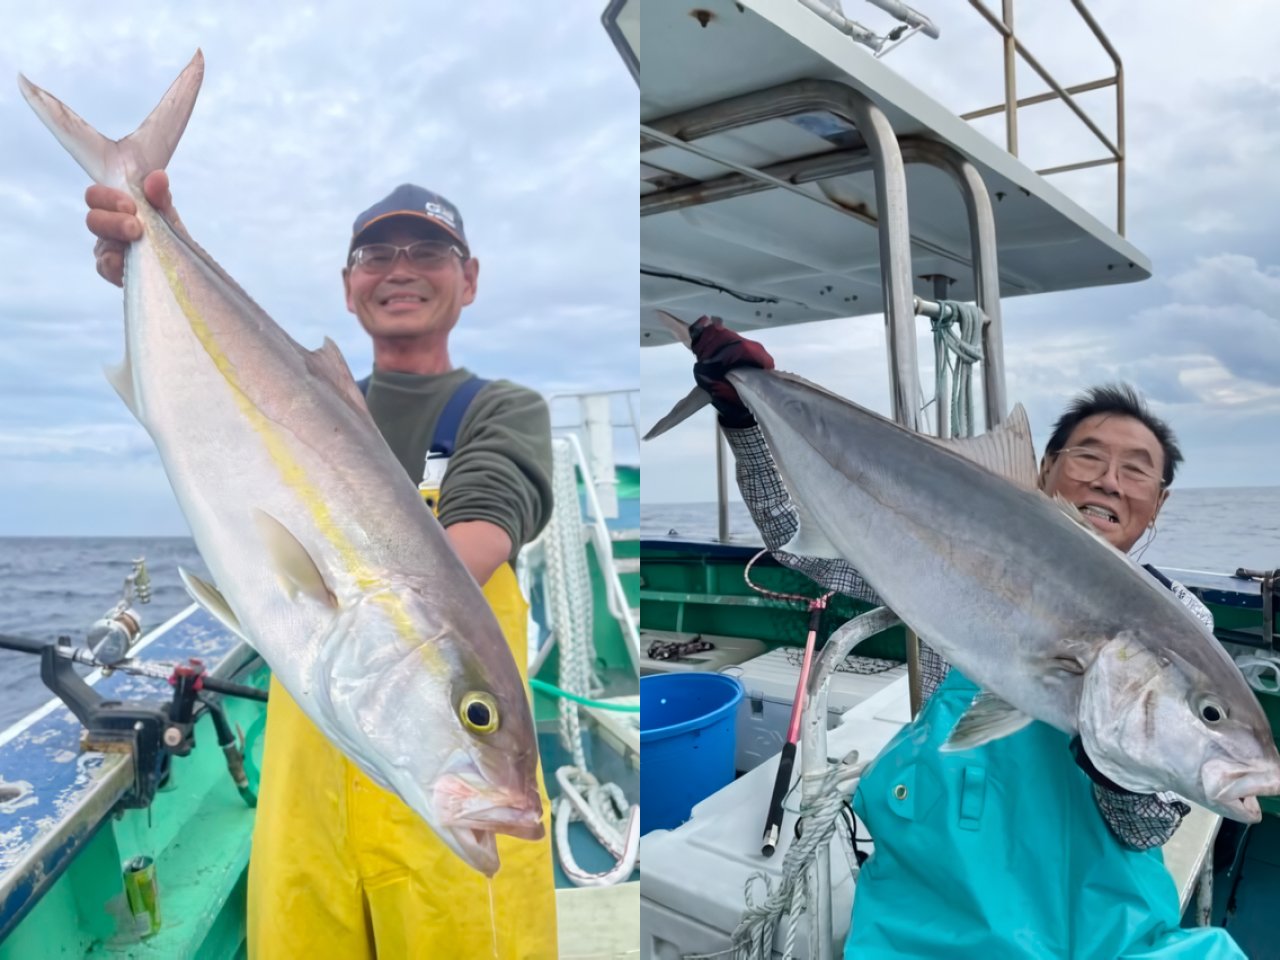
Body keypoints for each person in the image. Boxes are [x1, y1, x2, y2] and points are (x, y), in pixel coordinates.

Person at [86, 173, 558, 959]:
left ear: (469, 278)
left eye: (430, 252)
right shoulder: (295, 396)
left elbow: (478, 531)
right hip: (310, 784)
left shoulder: (501, 410)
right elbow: (207, 419)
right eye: (377, 252)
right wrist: (158, 249)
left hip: (431, 803)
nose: (401, 267)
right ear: (349, 285)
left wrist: (380, 606)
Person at [686, 315, 1247, 959]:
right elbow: (800, 545)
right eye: (1088, 455)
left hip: (1094, 909)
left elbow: (1143, 829)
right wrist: (745, 420)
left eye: (1136, 469)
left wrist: (1119, 766)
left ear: (1159, 502)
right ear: (1044, 469)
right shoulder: (955, 551)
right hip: (934, 897)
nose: (1108, 480)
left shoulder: (1181, 624)